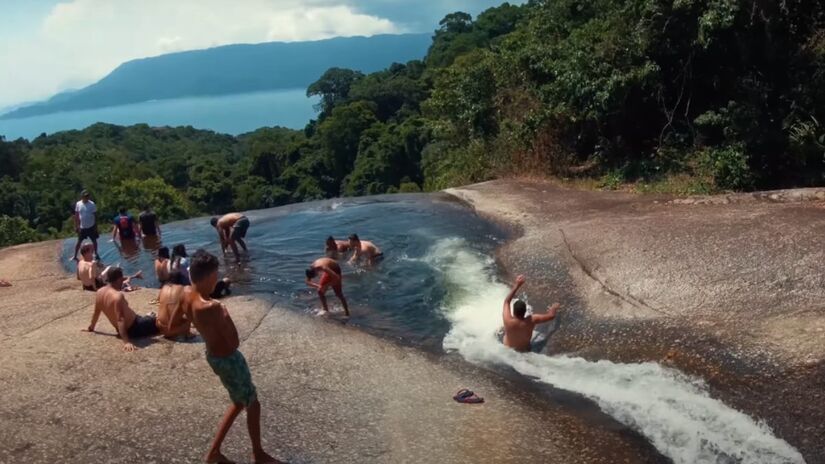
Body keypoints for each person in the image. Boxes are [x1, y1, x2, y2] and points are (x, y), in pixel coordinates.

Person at [185, 250, 281, 464]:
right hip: (228, 359)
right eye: (216, 275)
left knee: (238, 402)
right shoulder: (214, 307)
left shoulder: (187, 295)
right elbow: (235, 342)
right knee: (252, 403)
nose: (217, 279)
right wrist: (225, 316)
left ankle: (214, 453)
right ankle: (258, 454)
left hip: (212, 355)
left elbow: (189, 320)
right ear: (210, 277)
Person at [82, 267, 158, 352]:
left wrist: (91, 327)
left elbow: (96, 313)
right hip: (135, 328)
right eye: (122, 279)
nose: (122, 282)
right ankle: (150, 318)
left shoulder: (99, 292)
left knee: (148, 317)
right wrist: (126, 342)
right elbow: (120, 319)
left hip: (134, 321)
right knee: (160, 320)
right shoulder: (117, 296)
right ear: (118, 280)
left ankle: (148, 317)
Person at [502, 275, 560, 352]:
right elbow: (551, 316)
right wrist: (553, 308)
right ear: (525, 311)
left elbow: (507, 301)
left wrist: (517, 285)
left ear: (513, 312)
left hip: (507, 350)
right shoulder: (531, 320)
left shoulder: (508, 320)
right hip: (525, 351)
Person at [155, 271, 194, 339]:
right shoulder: (183, 290)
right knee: (188, 318)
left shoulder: (164, 287)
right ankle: (188, 334)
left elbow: (158, 300)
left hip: (158, 326)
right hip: (170, 331)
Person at [72, 190, 100, 261]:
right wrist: (76, 226)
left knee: (94, 241)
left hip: (91, 226)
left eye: (87, 196)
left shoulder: (92, 204)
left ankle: (96, 254)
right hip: (82, 227)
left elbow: (95, 216)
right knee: (79, 242)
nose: (86, 197)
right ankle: (75, 255)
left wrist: (96, 227)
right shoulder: (78, 204)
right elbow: (76, 215)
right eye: (85, 196)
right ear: (82, 196)